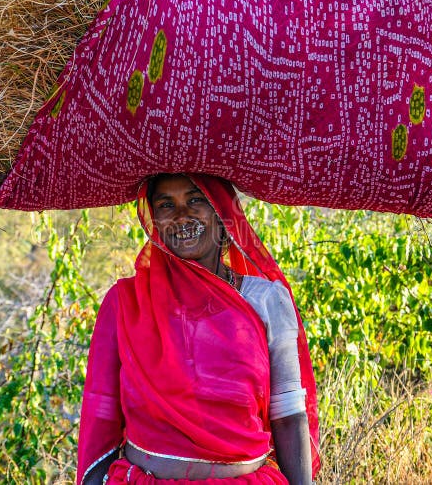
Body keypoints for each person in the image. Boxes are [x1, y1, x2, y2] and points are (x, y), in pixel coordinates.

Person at [77, 173, 320, 484]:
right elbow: (102, 411)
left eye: (196, 200)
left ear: (222, 213)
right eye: (166, 204)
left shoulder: (266, 300)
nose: (181, 215)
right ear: (154, 220)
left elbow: (287, 414)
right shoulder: (126, 302)